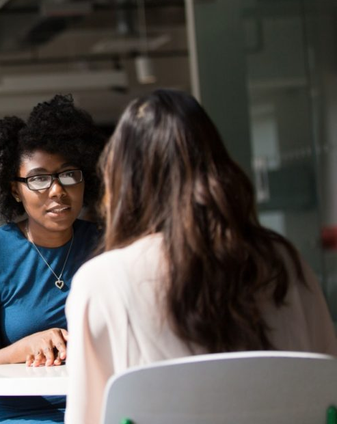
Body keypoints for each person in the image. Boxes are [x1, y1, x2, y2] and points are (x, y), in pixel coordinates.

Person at [65, 89, 337, 424]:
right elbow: (328, 391)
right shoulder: (284, 261)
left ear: (124, 181)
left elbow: (85, 418)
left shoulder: (102, 282)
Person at [0, 94, 106, 424]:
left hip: (99, 409)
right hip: (18, 415)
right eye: (39, 179)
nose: (57, 190)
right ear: (14, 190)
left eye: (69, 174)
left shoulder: (106, 244)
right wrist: (28, 347)